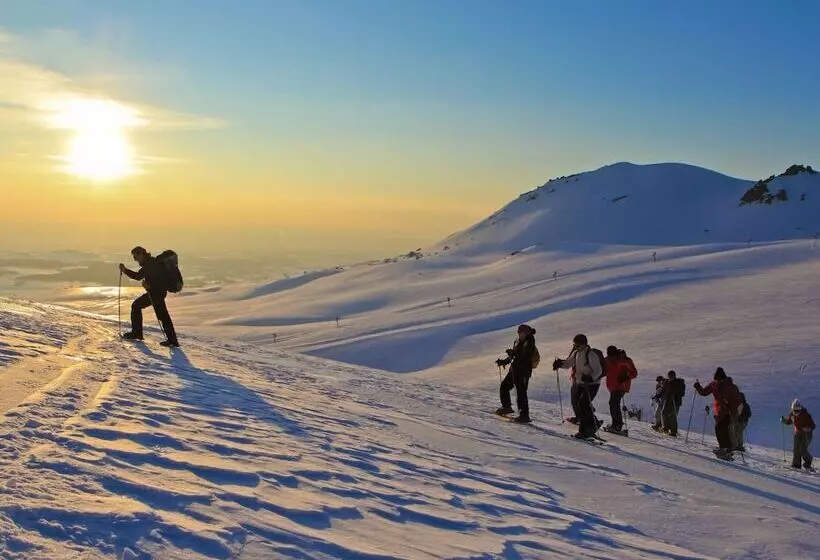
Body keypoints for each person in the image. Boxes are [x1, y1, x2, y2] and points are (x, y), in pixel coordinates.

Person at [119, 246, 180, 348]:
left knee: (138, 306)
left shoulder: (149, 265)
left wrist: (125, 270)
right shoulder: (151, 263)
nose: (135, 259)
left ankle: (137, 333)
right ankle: (172, 340)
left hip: (156, 293)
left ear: (141, 254)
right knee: (161, 315)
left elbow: (138, 276)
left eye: (135, 256)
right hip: (157, 293)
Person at [553, 334, 604, 439]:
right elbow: (568, 364)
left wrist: (591, 378)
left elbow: (599, 371)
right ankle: (593, 425)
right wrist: (559, 364)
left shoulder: (591, 354)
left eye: (577, 344)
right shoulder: (576, 353)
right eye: (574, 344)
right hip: (581, 382)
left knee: (582, 404)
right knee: (578, 404)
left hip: (592, 384)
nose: (575, 346)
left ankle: (585, 431)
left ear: (584, 344)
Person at [694, 367, 741, 459]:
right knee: (721, 430)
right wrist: (698, 386)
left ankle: (725, 448)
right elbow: (704, 392)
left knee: (720, 428)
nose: (719, 381)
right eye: (717, 380)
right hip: (718, 411)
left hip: (728, 411)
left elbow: (738, 399)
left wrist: (730, 405)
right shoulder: (714, 384)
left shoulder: (730, 386)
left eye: (720, 380)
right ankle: (725, 449)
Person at [495, 324, 537, 423]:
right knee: (504, 386)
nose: (519, 334)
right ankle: (506, 407)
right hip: (514, 369)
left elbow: (525, 356)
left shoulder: (529, 343)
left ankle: (524, 415)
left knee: (521, 393)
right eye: (518, 332)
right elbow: (515, 355)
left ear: (526, 333)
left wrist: (513, 354)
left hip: (523, 371)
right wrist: (505, 361)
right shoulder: (518, 341)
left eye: (520, 332)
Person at [604, 346, 638, 434]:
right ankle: (616, 424)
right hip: (612, 386)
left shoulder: (624, 360)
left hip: (621, 386)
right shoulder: (609, 359)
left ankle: (617, 425)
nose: (610, 356)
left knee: (614, 403)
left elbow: (634, 373)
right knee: (613, 404)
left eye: (612, 354)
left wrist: (626, 377)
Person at [781, 400, 814, 470]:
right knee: (796, 449)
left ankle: (808, 462)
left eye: (797, 411)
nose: (795, 412)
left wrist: (808, 428)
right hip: (797, 433)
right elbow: (789, 421)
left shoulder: (806, 415)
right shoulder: (792, 414)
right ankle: (796, 464)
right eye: (794, 410)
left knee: (802, 449)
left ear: (799, 408)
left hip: (806, 434)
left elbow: (813, 425)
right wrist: (784, 420)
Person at [662, 371, 686, 437]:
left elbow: (682, 393)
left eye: (671, 376)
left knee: (673, 416)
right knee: (664, 413)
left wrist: (676, 395)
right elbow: (664, 390)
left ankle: (673, 431)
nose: (669, 378)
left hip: (676, 402)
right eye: (669, 376)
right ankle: (666, 428)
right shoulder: (667, 382)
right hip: (668, 400)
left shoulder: (679, 383)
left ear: (674, 376)